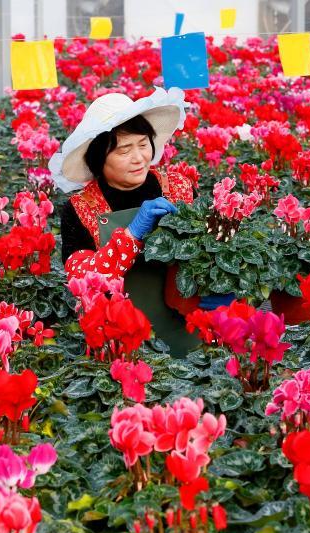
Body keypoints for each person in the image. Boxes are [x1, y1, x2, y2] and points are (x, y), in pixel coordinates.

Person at [50, 87, 202, 356]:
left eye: (143, 145)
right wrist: (131, 235)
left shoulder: (179, 188)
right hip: (120, 341)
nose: (138, 158)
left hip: (186, 328)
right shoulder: (80, 209)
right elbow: (82, 279)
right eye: (123, 151)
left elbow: (209, 250)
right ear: (98, 160)